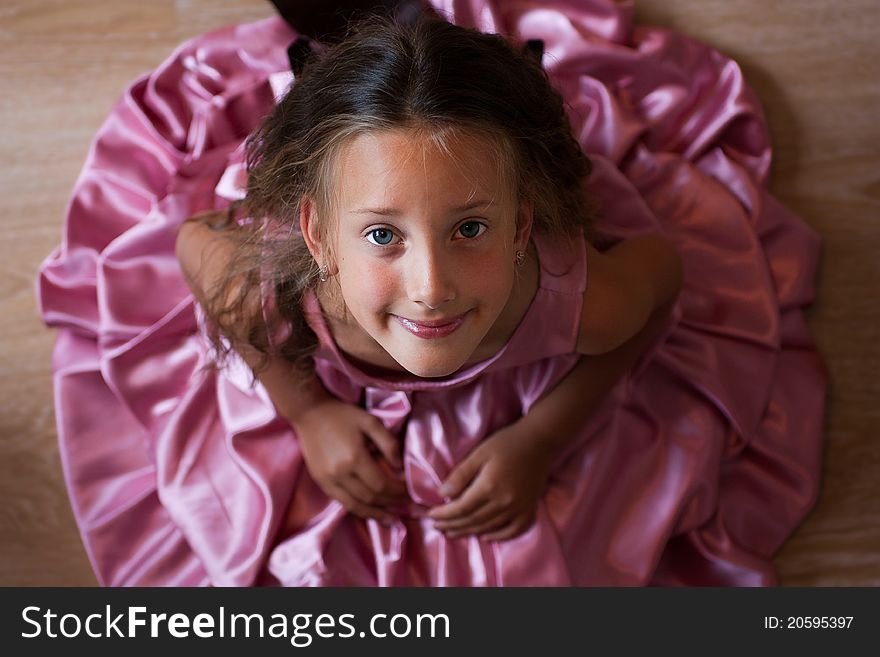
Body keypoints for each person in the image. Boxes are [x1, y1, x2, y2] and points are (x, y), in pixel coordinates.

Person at [38, 0, 827, 586]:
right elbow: (191, 243)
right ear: (316, 235)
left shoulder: (581, 300)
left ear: (522, 225)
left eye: (471, 230)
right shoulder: (274, 277)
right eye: (382, 235)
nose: (432, 288)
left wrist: (543, 437)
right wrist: (308, 411)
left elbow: (663, 277)